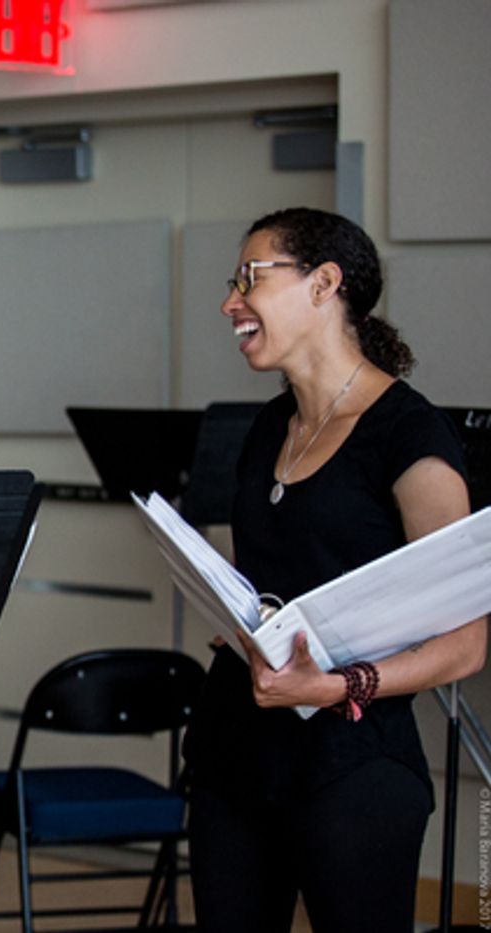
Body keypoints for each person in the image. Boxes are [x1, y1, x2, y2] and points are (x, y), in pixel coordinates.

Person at [185, 207, 486, 933]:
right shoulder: (267, 426)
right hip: (237, 752)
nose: (231, 301)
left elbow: (468, 642)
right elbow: (271, 570)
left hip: (350, 763)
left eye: (250, 278)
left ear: (324, 284)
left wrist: (336, 684)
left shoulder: (409, 434)